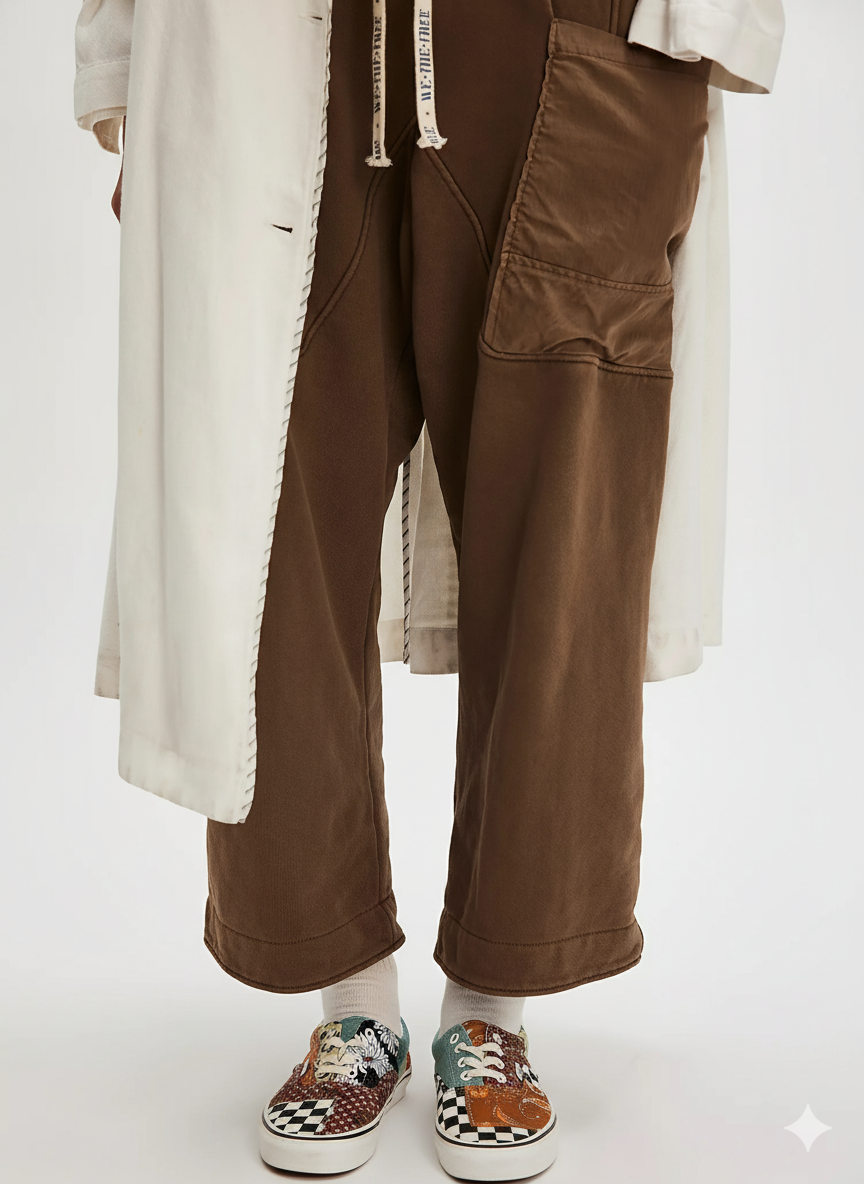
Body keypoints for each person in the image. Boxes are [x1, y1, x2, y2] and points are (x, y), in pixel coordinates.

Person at [75, 0, 784, 1177]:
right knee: (267, 516)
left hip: (569, 36)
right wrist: (124, 65)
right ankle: (351, 1005)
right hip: (269, 38)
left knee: (564, 537)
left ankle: (493, 1011)